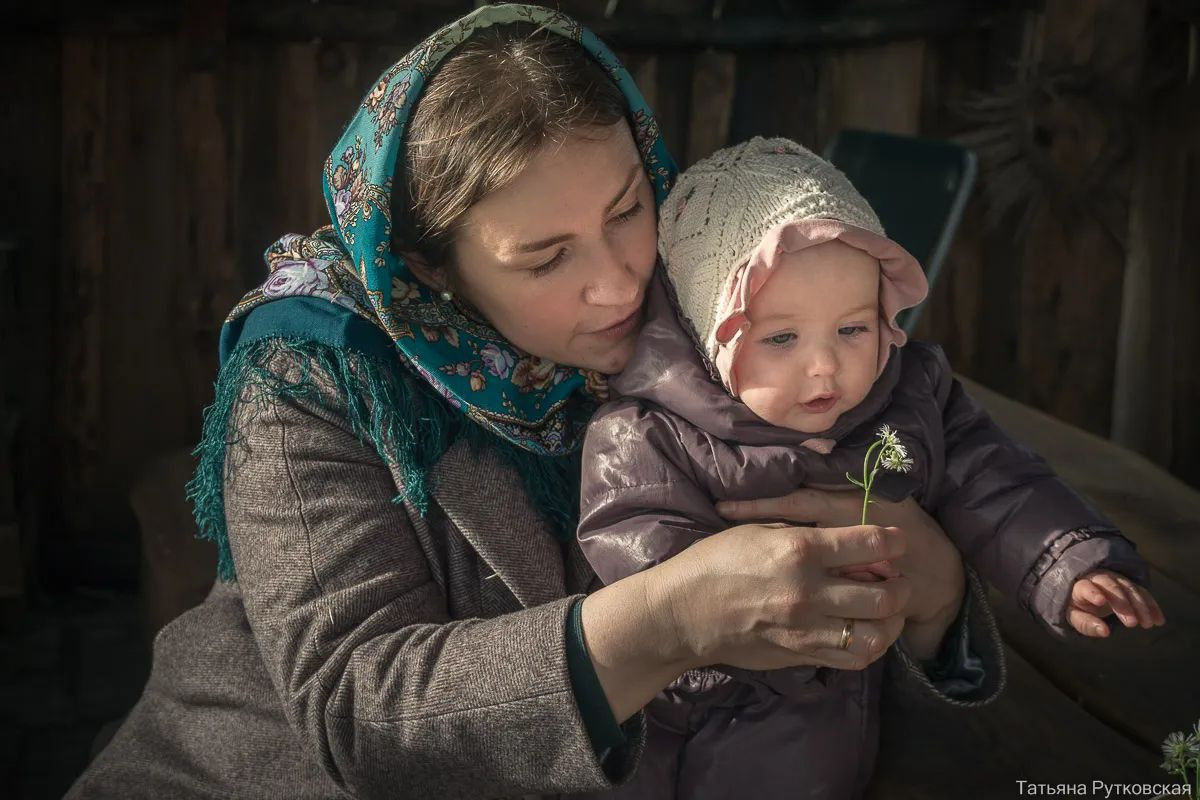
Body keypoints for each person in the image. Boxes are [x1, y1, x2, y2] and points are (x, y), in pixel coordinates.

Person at [66, 6, 1004, 799]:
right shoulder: (316, 373)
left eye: (628, 208)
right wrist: (671, 622)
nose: (620, 283)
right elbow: (358, 706)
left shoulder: (719, 303)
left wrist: (935, 594)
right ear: (428, 266)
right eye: (547, 258)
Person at [576, 137, 1166, 799]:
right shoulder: (647, 431)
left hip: (831, 711)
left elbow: (997, 481)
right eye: (781, 339)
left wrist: (1066, 559)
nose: (824, 366)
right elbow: (639, 552)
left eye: (852, 329)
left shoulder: (910, 395)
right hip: (692, 706)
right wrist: (763, 633)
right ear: (711, 336)